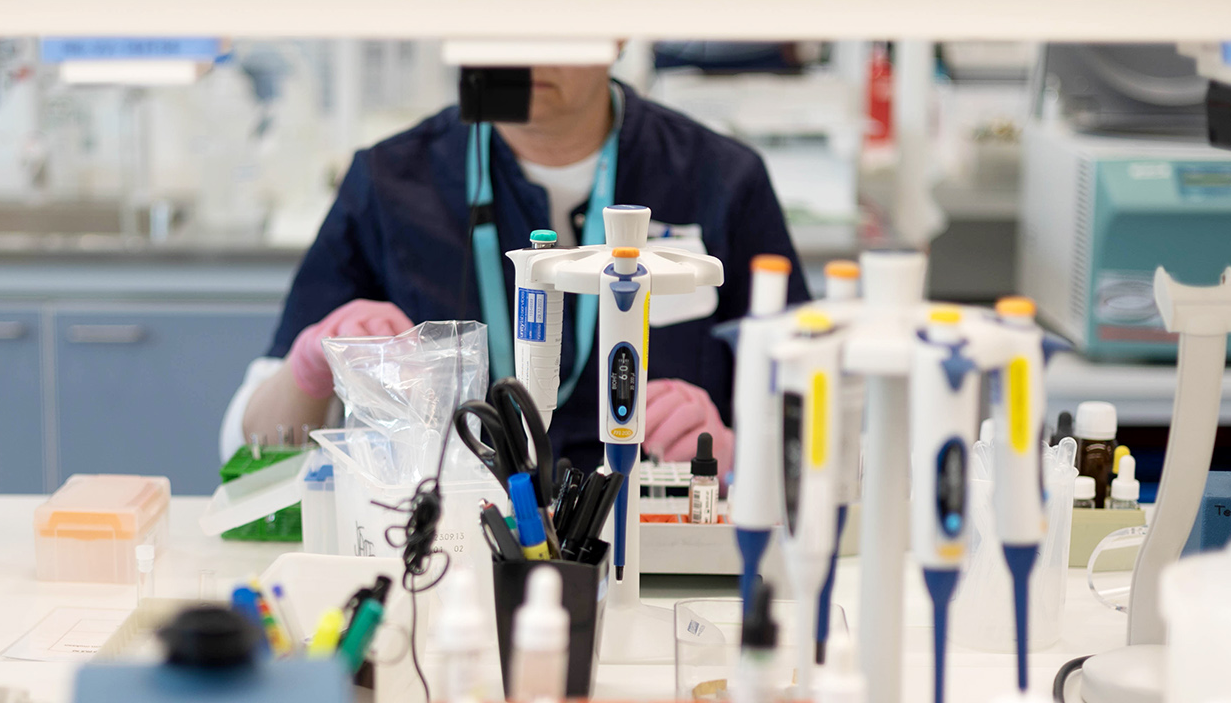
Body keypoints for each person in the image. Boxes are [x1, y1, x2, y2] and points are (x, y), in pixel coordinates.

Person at [236, 63, 810, 474]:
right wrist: (310, 365)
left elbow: (810, 435)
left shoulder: (721, 180)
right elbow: (252, 449)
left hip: (663, 547)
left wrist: (731, 459)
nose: (528, 52)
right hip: (452, 548)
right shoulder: (390, 182)